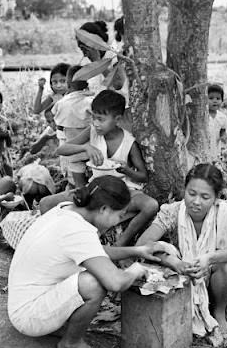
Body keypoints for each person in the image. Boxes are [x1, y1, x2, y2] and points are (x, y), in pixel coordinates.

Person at [7, 176, 166, 348]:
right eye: (119, 215)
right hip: (28, 316)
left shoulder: (67, 209)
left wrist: (137, 251)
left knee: (93, 273)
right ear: (104, 209)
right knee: (95, 283)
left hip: (24, 300)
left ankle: (60, 326)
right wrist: (137, 268)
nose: (119, 220)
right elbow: (115, 283)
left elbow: (93, 252)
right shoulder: (78, 230)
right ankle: (70, 345)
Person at [136, 164, 227, 341]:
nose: (196, 201)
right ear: (184, 190)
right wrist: (173, 261)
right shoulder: (174, 211)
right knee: (153, 258)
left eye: (205, 197)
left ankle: (219, 310)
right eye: (191, 194)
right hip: (182, 272)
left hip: (213, 272)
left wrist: (210, 258)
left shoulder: (224, 212)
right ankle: (181, 308)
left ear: (216, 199)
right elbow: (143, 244)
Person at [56, 90, 158, 246]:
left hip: (124, 191)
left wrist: (126, 170)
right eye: (94, 118)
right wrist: (85, 148)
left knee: (151, 205)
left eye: (101, 119)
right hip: (96, 190)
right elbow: (61, 150)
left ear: (117, 119)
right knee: (45, 203)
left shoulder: (129, 142)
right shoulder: (92, 133)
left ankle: (121, 243)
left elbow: (143, 176)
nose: (96, 123)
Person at [52, 65, 94, 188]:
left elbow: (57, 121)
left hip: (73, 151)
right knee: (94, 182)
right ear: (87, 83)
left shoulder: (61, 103)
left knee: (79, 186)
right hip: (92, 149)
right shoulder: (91, 101)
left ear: (68, 85)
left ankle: (79, 198)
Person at [31, 63, 70, 154]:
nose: (58, 85)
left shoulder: (73, 96)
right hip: (54, 127)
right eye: (55, 82)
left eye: (63, 81)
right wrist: (40, 89)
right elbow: (37, 110)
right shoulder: (54, 96)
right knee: (36, 146)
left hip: (69, 130)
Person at [207, 84, 227, 164]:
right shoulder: (203, 116)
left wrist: (223, 136)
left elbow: (223, 130)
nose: (215, 101)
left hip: (216, 148)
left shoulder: (222, 117)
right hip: (205, 146)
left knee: (213, 163)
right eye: (211, 98)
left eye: (218, 98)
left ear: (222, 101)